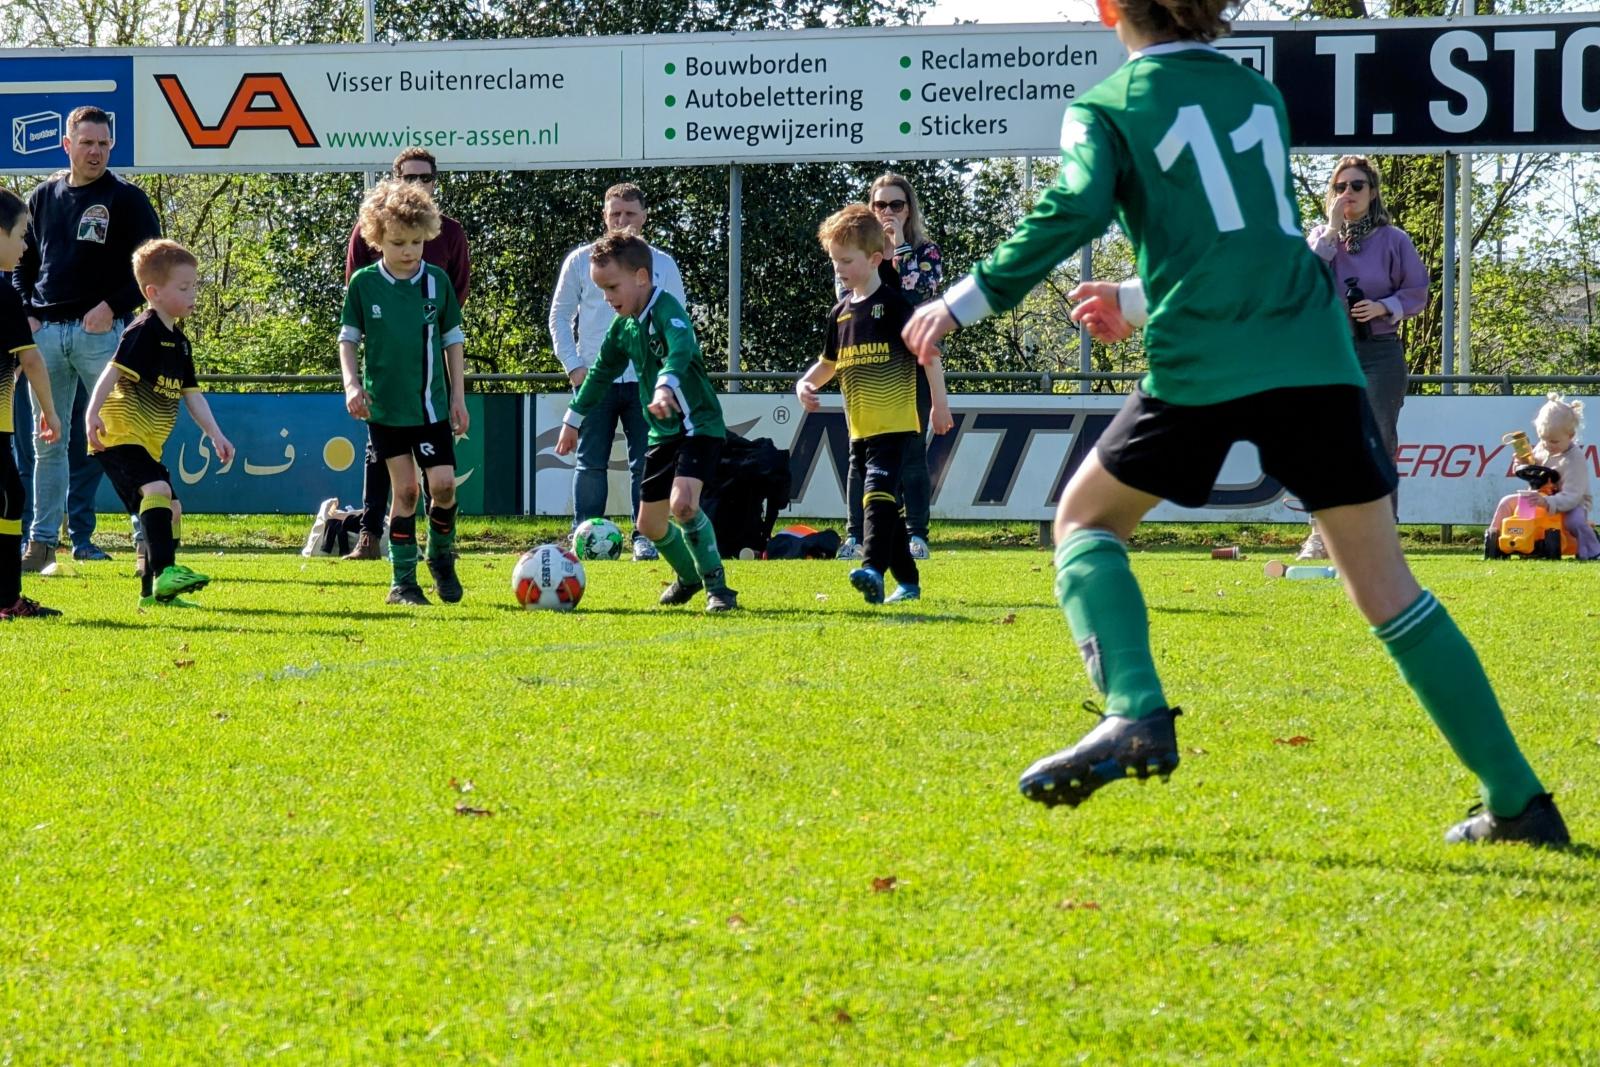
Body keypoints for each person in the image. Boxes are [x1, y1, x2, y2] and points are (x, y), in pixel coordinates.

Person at [902, 0, 1569, 845]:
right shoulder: (1258, 97)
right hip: (1315, 360)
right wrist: (1136, 299)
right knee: (1390, 590)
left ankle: (1135, 707)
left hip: (1206, 363)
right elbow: (1248, 243)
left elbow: (1070, 211)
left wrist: (962, 301)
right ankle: (1520, 801)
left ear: (1109, 8)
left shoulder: (1109, 105)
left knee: (1083, 522)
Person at [553, 231, 737, 612]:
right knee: (651, 526)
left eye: (611, 287)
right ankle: (688, 579)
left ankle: (717, 587)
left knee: (683, 504)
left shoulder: (667, 308)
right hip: (663, 433)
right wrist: (573, 419)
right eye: (601, 290)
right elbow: (601, 374)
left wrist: (665, 385)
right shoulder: (624, 327)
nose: (606, 297)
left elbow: (681, 348)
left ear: (641, 277)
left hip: (698, 426)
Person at [12, 104, 160, 571]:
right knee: (47, 441)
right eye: (87, 142)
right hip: (46, 335)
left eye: (103, 144)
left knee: (122, 436)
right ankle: (40, 544)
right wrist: (28, 313)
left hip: (103, 336)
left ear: (111, 146)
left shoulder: (129, 199)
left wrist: (111, 307)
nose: (95, 152)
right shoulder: (42, 197)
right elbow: (21, 262)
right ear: (67, 145)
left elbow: (151, 270)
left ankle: (147, 540)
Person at [797, 204, 952, 604]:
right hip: (860, 430)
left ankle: (872, 568)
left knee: (877, 493)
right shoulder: (840, 313)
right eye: (834, 261)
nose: (839, 269)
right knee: (885, 508)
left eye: (847, 260)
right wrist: (805, 383)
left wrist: (938, 405)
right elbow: (828, 364)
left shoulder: (896, 305)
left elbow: (928, 353)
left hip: (897, 425)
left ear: (875, 259)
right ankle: (910, 582)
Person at [339, 180, 469, 606]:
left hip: (430, 407)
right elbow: (348, 340)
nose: (409, 250)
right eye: (398, 242)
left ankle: (442, 557)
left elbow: (452, 340)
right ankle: (403, 583)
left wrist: (457, 397)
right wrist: (351, 384)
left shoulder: (436, 282)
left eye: (416, 241)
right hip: (386, 410)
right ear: (377, 239)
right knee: (407, 492)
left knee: (444, 486)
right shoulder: (363, 284)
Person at [85, 240, 232, 608]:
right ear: (154, 293)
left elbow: (192, 395)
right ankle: (167, 572)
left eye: (194, 285)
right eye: (184, 288)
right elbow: (110, 372)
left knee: (173, 509)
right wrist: (92, 414)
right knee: (157, 490)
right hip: (117, 437)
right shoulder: (142, 330)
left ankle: (153, 596)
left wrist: (215, 434)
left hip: (146, 445)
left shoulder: (180, 343)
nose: (192, 293)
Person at [1297, 155, 1427, 560]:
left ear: (1372, 192)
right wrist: (1333, 232)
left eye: (1356, 186)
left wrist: (1384, 306)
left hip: (1379, 353)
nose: (1348, 194)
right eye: (1340, 187)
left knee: (1379, 440)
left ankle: (1381, 535)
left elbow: (1417, 292)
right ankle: (1320, 536)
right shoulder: (1320, 237)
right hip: (1329, 352)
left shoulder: (1394, 240)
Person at [549, 183, 688, 563]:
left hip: (647, 382)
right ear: (604, 217)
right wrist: (574, 366)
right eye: (615, 214)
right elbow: (559, 316)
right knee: (589, 461)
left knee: (647, 460)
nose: (622, 221)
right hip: (595, 379)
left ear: (644, 216)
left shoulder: (664, 263)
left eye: (629, 214)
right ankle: (585, 535)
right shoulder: (581, 260)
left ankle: (645, 537)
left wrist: (665, 379)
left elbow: (679, 320)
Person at [837, 173, 944, 563]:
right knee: (858, 453)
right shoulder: (852, 254)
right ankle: (856, 536)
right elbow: (849, 298)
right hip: (864, 366)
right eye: (880, 205)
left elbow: (914, 300)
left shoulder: (926, 252)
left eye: (896, 205)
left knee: (912, 453)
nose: (887, 212)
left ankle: (917, 534)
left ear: (909, 209)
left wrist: (898, 249)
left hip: (909, 366)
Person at [0, 189, 65, 618]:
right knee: (11, 496)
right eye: (22, 236)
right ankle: (7, 600)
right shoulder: (4, 295)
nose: (26, 249)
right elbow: (32, 359)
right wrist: (51, 412)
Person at [1487, 393, 1600, 560]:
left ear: (1571, 435)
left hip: (1569, 502)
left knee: (1574, 522)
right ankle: (1494, 538)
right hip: (1538, 496)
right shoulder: (1542, 448)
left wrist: (1548, 502)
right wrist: (1520, 463)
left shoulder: (1574, 460)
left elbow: (1573, 496)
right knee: (1507, 503)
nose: (1548, 445)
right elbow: (1530, 470)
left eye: (1554, 442)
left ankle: (1592, 550)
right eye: (1543, 439)